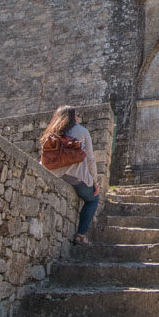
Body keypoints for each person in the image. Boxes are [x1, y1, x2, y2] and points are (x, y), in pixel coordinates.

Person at [40, 105, 100, 244]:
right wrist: (95, 182)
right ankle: (80, 235)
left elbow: (44, 156)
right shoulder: (82, 131)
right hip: (75, 177)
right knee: (93, 199)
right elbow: (90, 159)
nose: (78, 117)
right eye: (76, 115)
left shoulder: (51, 131)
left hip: (53, 173)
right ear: (73, 117)